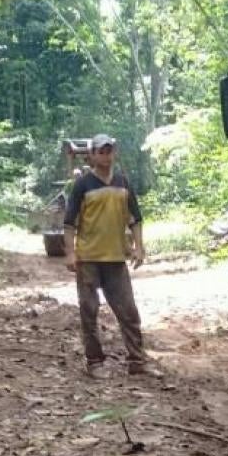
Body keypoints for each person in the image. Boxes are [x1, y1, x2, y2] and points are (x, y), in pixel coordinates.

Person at [63, 133, 154, 379]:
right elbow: (69, 222)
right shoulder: (82, 184)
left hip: (115, 258)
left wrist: (139, 247)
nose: (105, 155)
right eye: (100, 151)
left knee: (128, 311)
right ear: (92, 155)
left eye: (109, 150)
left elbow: (135, 218)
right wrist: (70, 253)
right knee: (89, 310)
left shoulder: (123, 182)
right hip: (89, 258)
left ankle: (137, 361)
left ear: (115, 153)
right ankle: (94, 362)